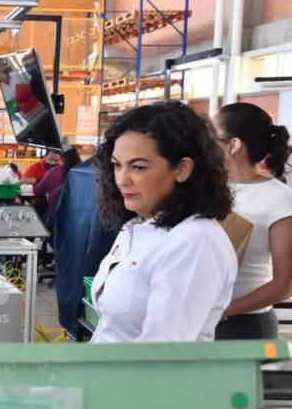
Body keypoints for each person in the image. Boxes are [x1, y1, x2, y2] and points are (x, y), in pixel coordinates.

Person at [90, 101, 236, 343]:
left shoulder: (195, 242)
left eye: (138, 167)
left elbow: (163, 350)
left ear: (182, 169)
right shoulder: (139, 226)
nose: (123, 180)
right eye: (117, 165)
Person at [213, 103, 292, 339]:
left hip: (243, 323)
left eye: (212, 136)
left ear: (234, 145)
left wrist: (224, 311)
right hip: (200, 317)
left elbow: (285, 283)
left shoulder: (279, 199)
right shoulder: (208, 188)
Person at [34, 147, 81, 214]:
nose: (53, 163)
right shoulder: (84, 173)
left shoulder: (53, 172)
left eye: (56, 161)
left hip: (55, 213)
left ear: (62, 159)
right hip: (79, 214)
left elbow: (38, 191)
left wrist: (37, 182)